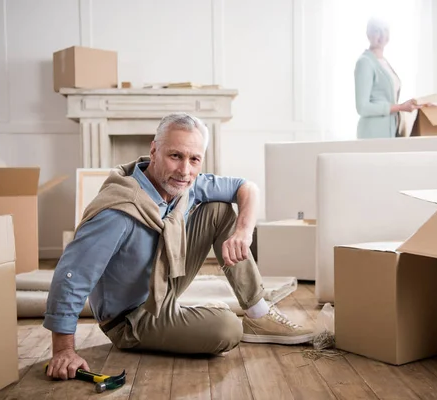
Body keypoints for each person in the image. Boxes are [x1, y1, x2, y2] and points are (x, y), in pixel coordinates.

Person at [43, 112, 314, 380]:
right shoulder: (117, 211)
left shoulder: (184, 184)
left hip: (162, 284)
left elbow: (247, 188)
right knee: (228, 328)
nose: (185, 170)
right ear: (154, 150)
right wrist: (63, 349)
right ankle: (202, 319)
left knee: (219, 209)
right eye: (175, 156)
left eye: (194, 159)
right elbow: (72, 273)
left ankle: (259, 315)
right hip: (131, 320)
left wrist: (243, 233)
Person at [354, 17, 422, 139]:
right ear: (368, 33)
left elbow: (387, 99)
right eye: (376, 30)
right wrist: (400, 107)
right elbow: (362, 107)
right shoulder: (364, 62)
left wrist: (420, 104)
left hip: (389, 130)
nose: (382, 35)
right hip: (373, 133)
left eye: (385, 30)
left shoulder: (384, 62)